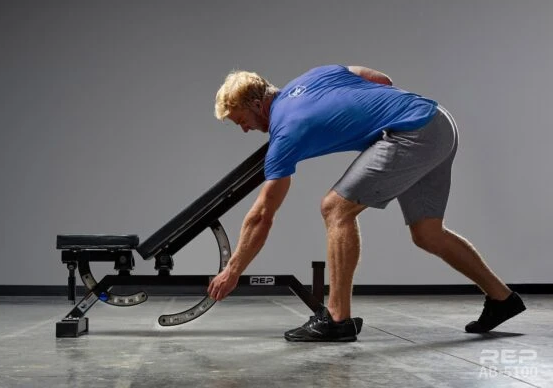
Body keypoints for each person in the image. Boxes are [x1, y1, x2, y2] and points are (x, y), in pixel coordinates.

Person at [207, 64, 526, 342]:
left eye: (241, 120)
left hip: (413, 133)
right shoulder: (313, 77)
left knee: (335, 208)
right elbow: (381, 79)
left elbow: (263, 215)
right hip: (438, 121)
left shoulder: (285, 131)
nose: (245, 129)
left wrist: (233, 270)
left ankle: (337, 320)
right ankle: (503, 299)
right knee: (428, 233)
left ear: (257, 104)